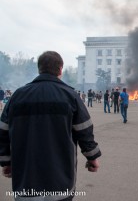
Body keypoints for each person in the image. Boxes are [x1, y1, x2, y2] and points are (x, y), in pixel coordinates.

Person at [0, 51, 101, 200]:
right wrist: (92, 158)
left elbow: (3, 132)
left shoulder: (17, 96)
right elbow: (84, 131)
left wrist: (6, 162)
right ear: (60, 69)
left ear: (39, 69)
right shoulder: (70, 96)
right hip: (60, 179)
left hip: (26, 179)